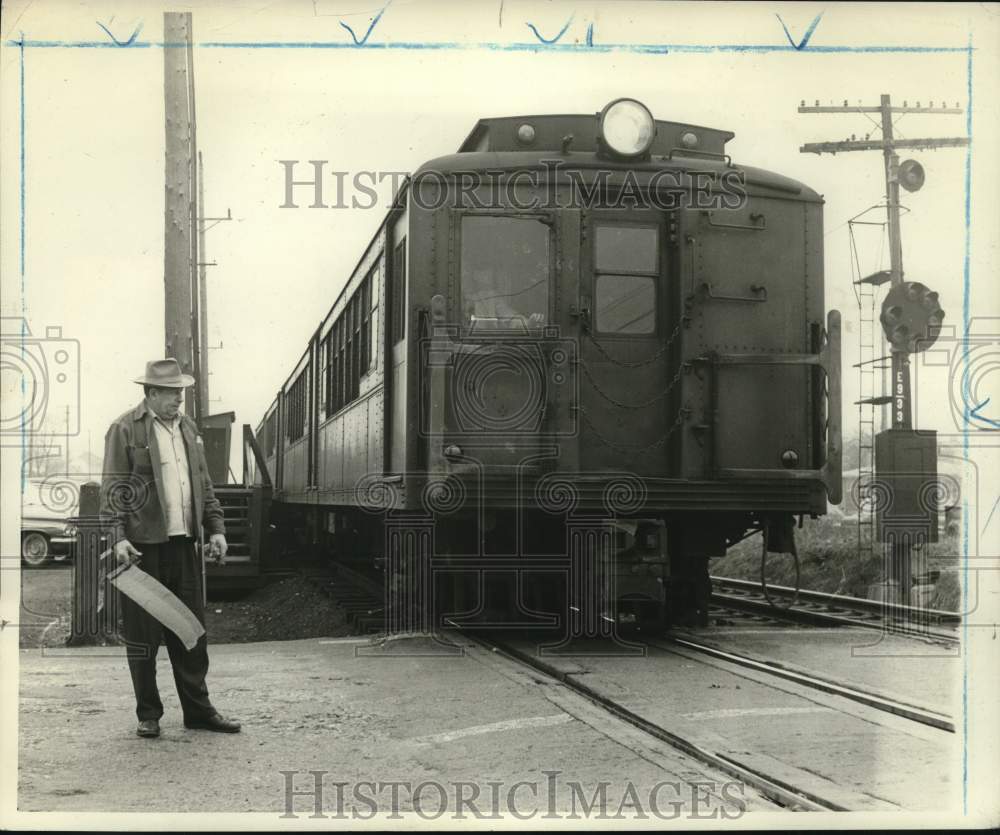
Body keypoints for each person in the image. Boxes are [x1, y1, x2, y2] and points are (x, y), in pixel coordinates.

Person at [100, 358, 241, 738]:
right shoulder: (125, 428)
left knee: (190, 631)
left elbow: (204, 484)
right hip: (142, 550)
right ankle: (148, 714)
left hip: (184, 546)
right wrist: (118, 537)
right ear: (150, 393)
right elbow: (113, 489)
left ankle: (198, 711)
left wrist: (215, 529)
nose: (179, 399)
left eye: (181, 392)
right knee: (143, 636)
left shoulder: (189, 428)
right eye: (171, 393)